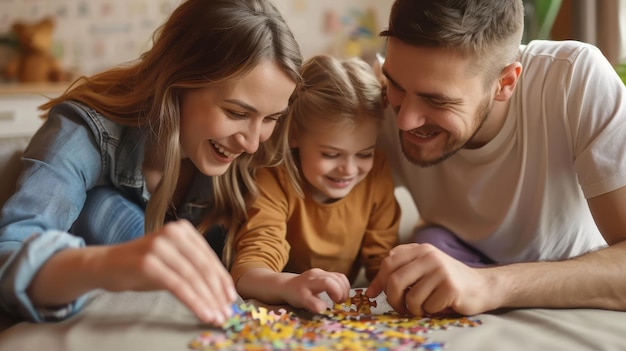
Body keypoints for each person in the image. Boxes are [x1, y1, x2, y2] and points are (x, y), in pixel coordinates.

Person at [0, 0, 302, 325]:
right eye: (236, 113)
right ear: (177, 82)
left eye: (271, 117)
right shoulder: (84, 131)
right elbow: (9, 258)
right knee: (100, 206)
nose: (253, 142)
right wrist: (110, 265)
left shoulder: (260, 153)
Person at [366, 0, 626, 318]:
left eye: (437, 100)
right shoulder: (370, 100)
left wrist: (489, 285)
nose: (404, 121)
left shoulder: (572, 79)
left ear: (506, 83)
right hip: (449, 259)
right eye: (396, 85)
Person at [229, 55, 401, 313]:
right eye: (330, 154)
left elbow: (382, 260)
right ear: (295, 134)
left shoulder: (377, 170)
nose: (349, 170)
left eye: (364, 153)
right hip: (284, 294)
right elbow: (249, 269)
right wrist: (289, 286)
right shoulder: (275, 176)